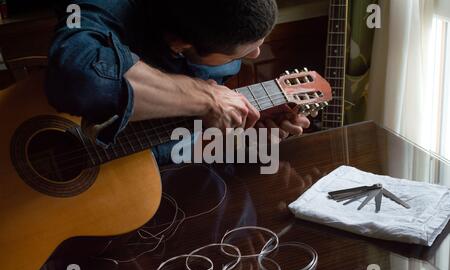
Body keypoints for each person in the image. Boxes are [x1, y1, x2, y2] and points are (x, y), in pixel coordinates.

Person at [46, 0, 310, 165]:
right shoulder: (96, 6)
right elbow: (78, 79)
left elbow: (170, 147)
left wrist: (238, 141)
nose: (255, 55)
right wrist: (205, 97)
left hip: (135, 183)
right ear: (179, 45)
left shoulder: (217, 36)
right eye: (239, 53)